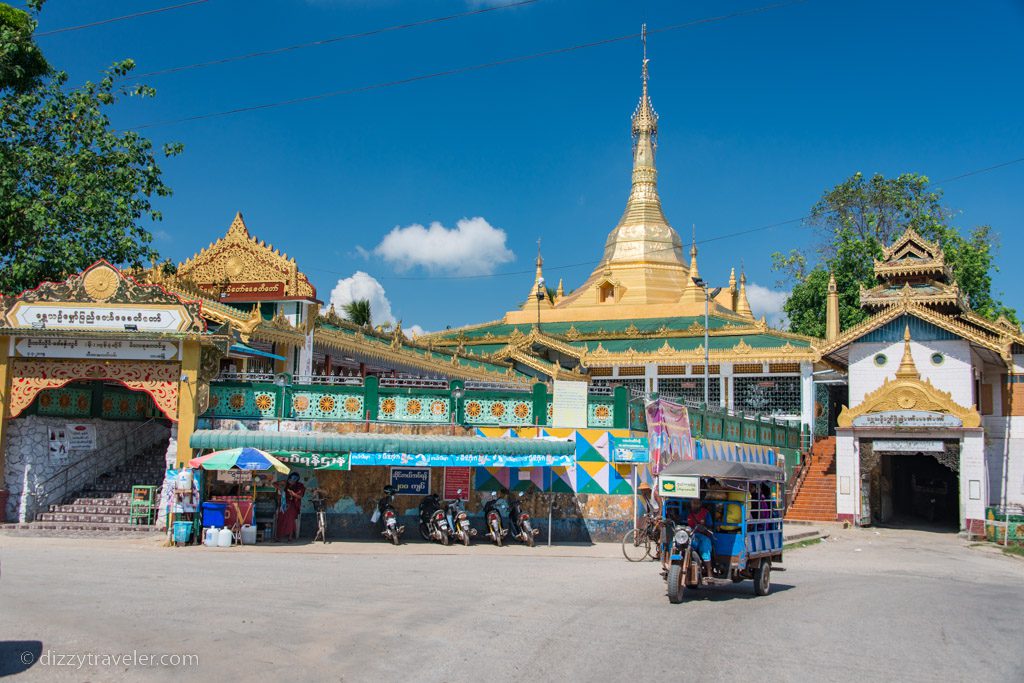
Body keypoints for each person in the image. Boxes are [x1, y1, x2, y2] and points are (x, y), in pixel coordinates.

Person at [687, 498, 714, 584]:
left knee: (705, 546)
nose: (695, 505)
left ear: (700, 503)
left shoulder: (706, 513)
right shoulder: (687, 513)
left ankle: (709, 572)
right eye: (693, 503)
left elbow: (710, 527)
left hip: (703, 536)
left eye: (697, 503)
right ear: (690, 503)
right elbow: (679, 520)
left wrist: (704, 528)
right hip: (690, 536)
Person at [274, 472, 306, 542]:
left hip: (293, 505)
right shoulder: (286, 484)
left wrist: (293, 493)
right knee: (280, 518)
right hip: (283, 504)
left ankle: (290, 537)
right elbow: (274, 484)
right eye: (290, 480)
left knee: (290, 519)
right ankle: (279, 536)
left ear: (296, 480)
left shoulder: (300, 485)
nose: (291, 482)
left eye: (293, 480)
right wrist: (280, 485)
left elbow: (300, 496)